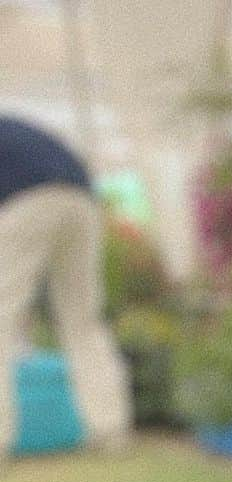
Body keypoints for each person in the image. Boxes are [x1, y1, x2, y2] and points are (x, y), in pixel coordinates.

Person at [0, 115, 131, 460]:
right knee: (83, 319)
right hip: (81, 200)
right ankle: (110, 429)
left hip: (23, 199)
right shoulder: (15, 128)